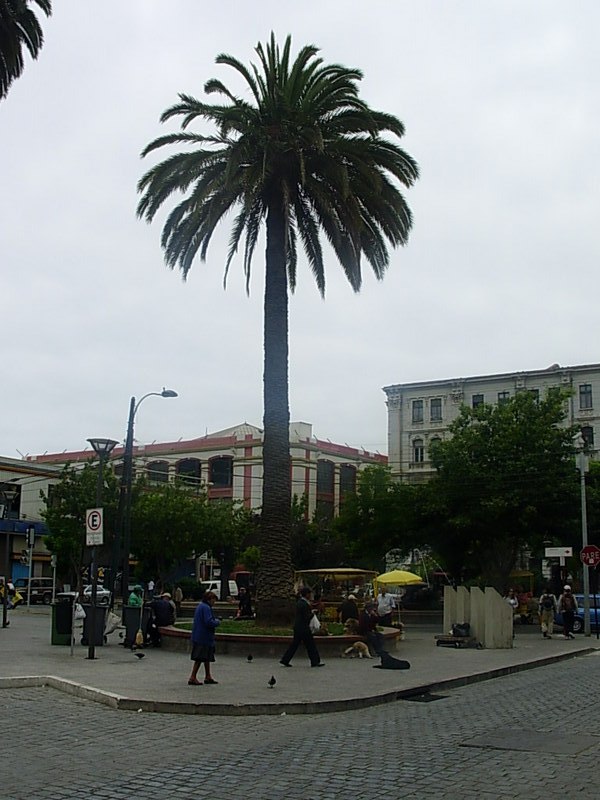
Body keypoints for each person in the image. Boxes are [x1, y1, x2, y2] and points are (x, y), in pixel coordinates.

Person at [279, 587, 324, 668]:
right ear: (306, 594)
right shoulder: (303, 604)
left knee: (295, 645)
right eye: (309, 594)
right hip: (303, 628)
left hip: (298, 627)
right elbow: (306, 617)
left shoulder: (300, 602)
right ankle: (315, 661)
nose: (311, 595)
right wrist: (313, 613)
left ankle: (285, 659)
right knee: (310, 645)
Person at [188, 591, 221, 685]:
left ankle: (208, 676)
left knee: (207, 657)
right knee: (199, 658)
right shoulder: (206, 608)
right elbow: (208, 622)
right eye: (214, 600)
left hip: (199, 635)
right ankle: (192, 677)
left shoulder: (200, 606)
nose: (214, 602)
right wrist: (217, 622)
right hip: (203, 636)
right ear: (209, 599)